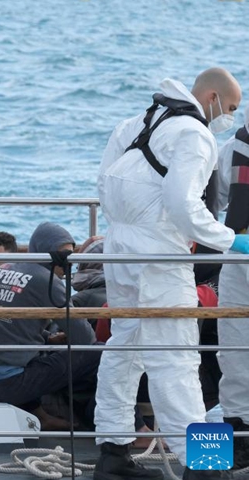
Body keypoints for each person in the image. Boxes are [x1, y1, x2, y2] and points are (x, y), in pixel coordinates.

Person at [95, 67, 248, 480]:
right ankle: (204, 464)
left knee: (123, 350)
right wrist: (230, 239)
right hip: (161, 257)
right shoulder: (196, 135)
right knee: (177, 359)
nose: (229, 116)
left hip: (119, 250)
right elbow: (184, 205)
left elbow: (105, 188)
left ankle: (112, 451)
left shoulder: (132, 125)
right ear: (212, 96)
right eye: (231, 107)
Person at [0, 222, 100, 430]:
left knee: (41, 352)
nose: (68, 263)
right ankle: (116, 423)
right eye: (65, 256)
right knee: (101, 352)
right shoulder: (48, 279)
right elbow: (85, 339)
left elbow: (4, 324)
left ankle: (41, 415)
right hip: (7, 384)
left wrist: (47, 337)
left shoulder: (3, 270)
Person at [216, 105, 249, 469]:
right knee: (234, 347)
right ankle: (238, 432)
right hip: (240, 256)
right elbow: (214, 200)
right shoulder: (233, 149)